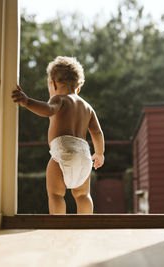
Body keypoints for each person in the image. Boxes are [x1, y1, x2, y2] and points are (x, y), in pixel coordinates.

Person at [11, 56, 105, 214]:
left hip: (63, 152)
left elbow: (48, 109)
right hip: (84, 156)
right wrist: (100, 153)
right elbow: (97, 132)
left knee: (55, 195)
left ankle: (59, 227)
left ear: (53, 84)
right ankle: (87, 225)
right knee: (83, 195)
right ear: (78, 88)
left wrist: (27, 102)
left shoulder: (59, 99)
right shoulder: (88, 107)